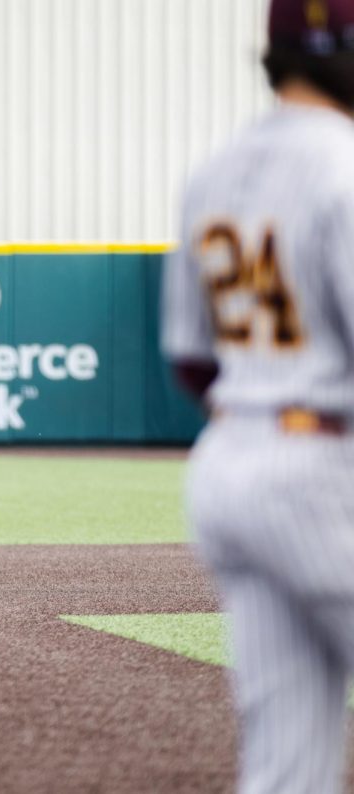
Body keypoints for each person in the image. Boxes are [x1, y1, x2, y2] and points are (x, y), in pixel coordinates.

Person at [161, 0, 354, 790]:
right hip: (321, 468)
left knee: (287, 759)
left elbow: (190, 358)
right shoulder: (343, 162)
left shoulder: (215, 170)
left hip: (231, 461)